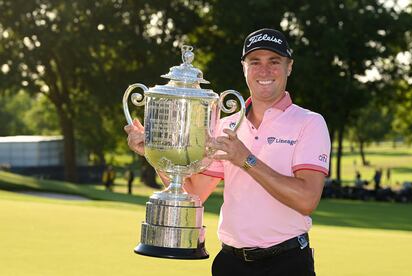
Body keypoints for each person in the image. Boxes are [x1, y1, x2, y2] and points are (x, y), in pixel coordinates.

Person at [125, 28, 330, 276]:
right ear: (244, 68)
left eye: (274, 62)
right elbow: (194, 192)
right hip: (230, 263)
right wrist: (153, 153)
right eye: (255, 62)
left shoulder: (309, 122)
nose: (264, 70)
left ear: (289, 67)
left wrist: (246, 159)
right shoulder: (225, 125)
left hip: (285, 263)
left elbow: (307, 200)